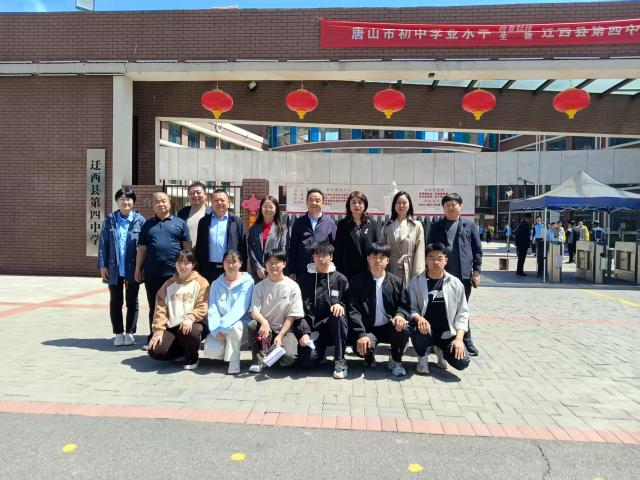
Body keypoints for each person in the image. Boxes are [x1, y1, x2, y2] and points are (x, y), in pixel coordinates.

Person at [426, 193, 482, 356]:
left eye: (454, 204)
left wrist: (476, 271)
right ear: (443, 208)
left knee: (462, 308)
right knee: (439, 307)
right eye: (447, 205)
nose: (451, 207)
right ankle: (435, 341)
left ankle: (466, 341)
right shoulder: (436, 227)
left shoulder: (469, 226)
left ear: (460, 206)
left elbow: (477, 250)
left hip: (463, 276)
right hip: (440, 275)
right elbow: (429, 249)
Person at [347, 242, 411, 377]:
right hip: (368, 329)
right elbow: (353, 310)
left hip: (389, 326)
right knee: (362, 349)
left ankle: (396, 360)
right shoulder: (357, 282)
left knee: (403, 328)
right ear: (368, 259)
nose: (378, 260)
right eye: (374, 257)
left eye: (382, 257)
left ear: (387, 260)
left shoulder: (397, 282)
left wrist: (400, 315)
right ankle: (369, 356)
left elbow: (404, 305)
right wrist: (361, 333)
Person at [135, 192, 191, 345]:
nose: (161, 204)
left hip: (175, 274)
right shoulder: (147, 225)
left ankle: (175, 339)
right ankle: (153, 336)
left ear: (169, 203)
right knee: (154, 306)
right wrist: (138, 269)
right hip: (153, 273)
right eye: (157, 202)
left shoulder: (180, 223)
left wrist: (188, 269)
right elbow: (142, 249)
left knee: (176, 306)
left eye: (163, 201)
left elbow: (187, 247)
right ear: (153, 205)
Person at [408, 243, 470, 375]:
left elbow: (463, 313)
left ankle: (440, 350)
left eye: (439, 258)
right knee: (418, 329)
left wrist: (459, 339)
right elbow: (411, 308)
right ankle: (422, 357)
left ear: (445, 260)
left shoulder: (455, 283)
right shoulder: (416, 281)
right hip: (425, 331)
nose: (435, 262)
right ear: (425, 260)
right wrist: (419, 318)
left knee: (462, 362)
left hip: (447, 334)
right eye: (431, 258)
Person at [98, 187, 145, 346]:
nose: (126, 202)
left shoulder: (140, 220)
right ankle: (118, 333)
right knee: (115, 301)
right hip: (114, 268)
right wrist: (103, 265)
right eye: (122, 199)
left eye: (129, 199)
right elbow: (103, 243)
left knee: (132, 301)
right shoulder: (110, 220)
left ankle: (130, 332)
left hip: (133, 268)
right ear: (117, 201)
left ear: (133, 202)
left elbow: (144, 246)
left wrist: (142, 268)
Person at [147, 250, 209, 370]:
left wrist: (190, 318)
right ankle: (181, 352)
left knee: (190, 332)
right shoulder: (168, 284)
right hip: (173, 326)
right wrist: (158, 330)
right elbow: (160, 309)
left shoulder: (201, 282)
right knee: (156, 350)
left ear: (193, 265)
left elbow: (203, 306)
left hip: (194, 323)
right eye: (179, 263)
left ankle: (192, 358)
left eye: (186, 263)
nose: (182, 266)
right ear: (175, 264)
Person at [297, 241, 350, 379]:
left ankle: (340, 360)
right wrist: (304, 332)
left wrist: (341, 305)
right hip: (313, 329)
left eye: (324, 255)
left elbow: (349, 304)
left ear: (331, 257)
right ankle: (320, 354)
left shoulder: (340, 279)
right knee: (307, 361)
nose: (321, 259)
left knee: (339, 316)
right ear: (313, 257)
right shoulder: (303, 280)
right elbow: (299, 310)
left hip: (333, 328)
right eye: (317, 255)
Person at [247, 249, 305, 373]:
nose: (273, 266)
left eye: (277, 262)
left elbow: (292, 316)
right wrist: (264, 322)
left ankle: (271, 353)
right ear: (265, 265)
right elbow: (253, 311)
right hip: (265, 329)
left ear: (284, 264)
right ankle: (258, 360)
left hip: (285, 330)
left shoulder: (293, 286)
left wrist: (280, 336)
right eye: (270, 262)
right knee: (252, 325)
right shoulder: (259, 286)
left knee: (288, 358)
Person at [203, 249, 254, 375]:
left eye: (234, 262)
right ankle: (230, 350)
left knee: (234, 328)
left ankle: (234, 361)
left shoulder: (248, 282)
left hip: (242, 325)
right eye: (227, 262)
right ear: (223, 263)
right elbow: (213, 308)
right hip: (219, 326)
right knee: (211, 351)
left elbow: (240, 307)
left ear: (240, 263)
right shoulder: (216, 284)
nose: (231, 265)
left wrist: (224, 326)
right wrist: (215, 329)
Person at [195, 189, 246, 284]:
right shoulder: (203, 222)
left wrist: (242, 270)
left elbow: (242, 247)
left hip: (230, 269)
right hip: (208, 269)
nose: (219, 203)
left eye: (222, 200)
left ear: (228, 202)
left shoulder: (236, 221)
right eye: (216, 200)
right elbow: (199, 246)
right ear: (211, 203)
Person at [288, 188, 337, 281]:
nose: (314, 203)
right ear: (306, 202)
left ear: (322, 203)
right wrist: (292, 271)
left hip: (323, 269)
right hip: (302, 270)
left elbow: (334, 247)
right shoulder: (299, 222)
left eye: (317, 200)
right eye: (311, 200)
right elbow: (293, 248)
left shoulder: (330, 223)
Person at [380, 191, 425, 286]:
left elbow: (420, 251)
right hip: (392, 267)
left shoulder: (417, 225)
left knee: (409, 293)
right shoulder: (387, 226)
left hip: (410, 267)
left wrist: (418, 273)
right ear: (394, 205)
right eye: (398, 203)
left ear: (409, 204)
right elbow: (382, 251)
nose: (401, 205)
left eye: (404, 202)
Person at [334, 190, 380, 280]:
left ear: (365, 205)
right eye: (353, 202)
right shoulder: (342, 224)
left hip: (367, 269)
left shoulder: (372, 224)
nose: (357, 205)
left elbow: (377, 248)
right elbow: (338, 249)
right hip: (347, 270)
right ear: (349, 205)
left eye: (360, 202)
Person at [247, 195, 287, 283]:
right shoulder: (254, 228)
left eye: (271, 207)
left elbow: (283, 250)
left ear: (276, 209)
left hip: (275, 271)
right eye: (265, 206)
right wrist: (258, 268)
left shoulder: (282, 228)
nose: (267, 209)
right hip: (258, 273)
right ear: (261, 208)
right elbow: (251, 250)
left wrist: (273, 267)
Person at [177, 181, 212, 247]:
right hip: (186, 251)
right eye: (192, 193)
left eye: (198, 193)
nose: (195, 195)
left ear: (205, 195)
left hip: (205, 251)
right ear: (188, 195)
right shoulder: (182, 213)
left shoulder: (211, 213)